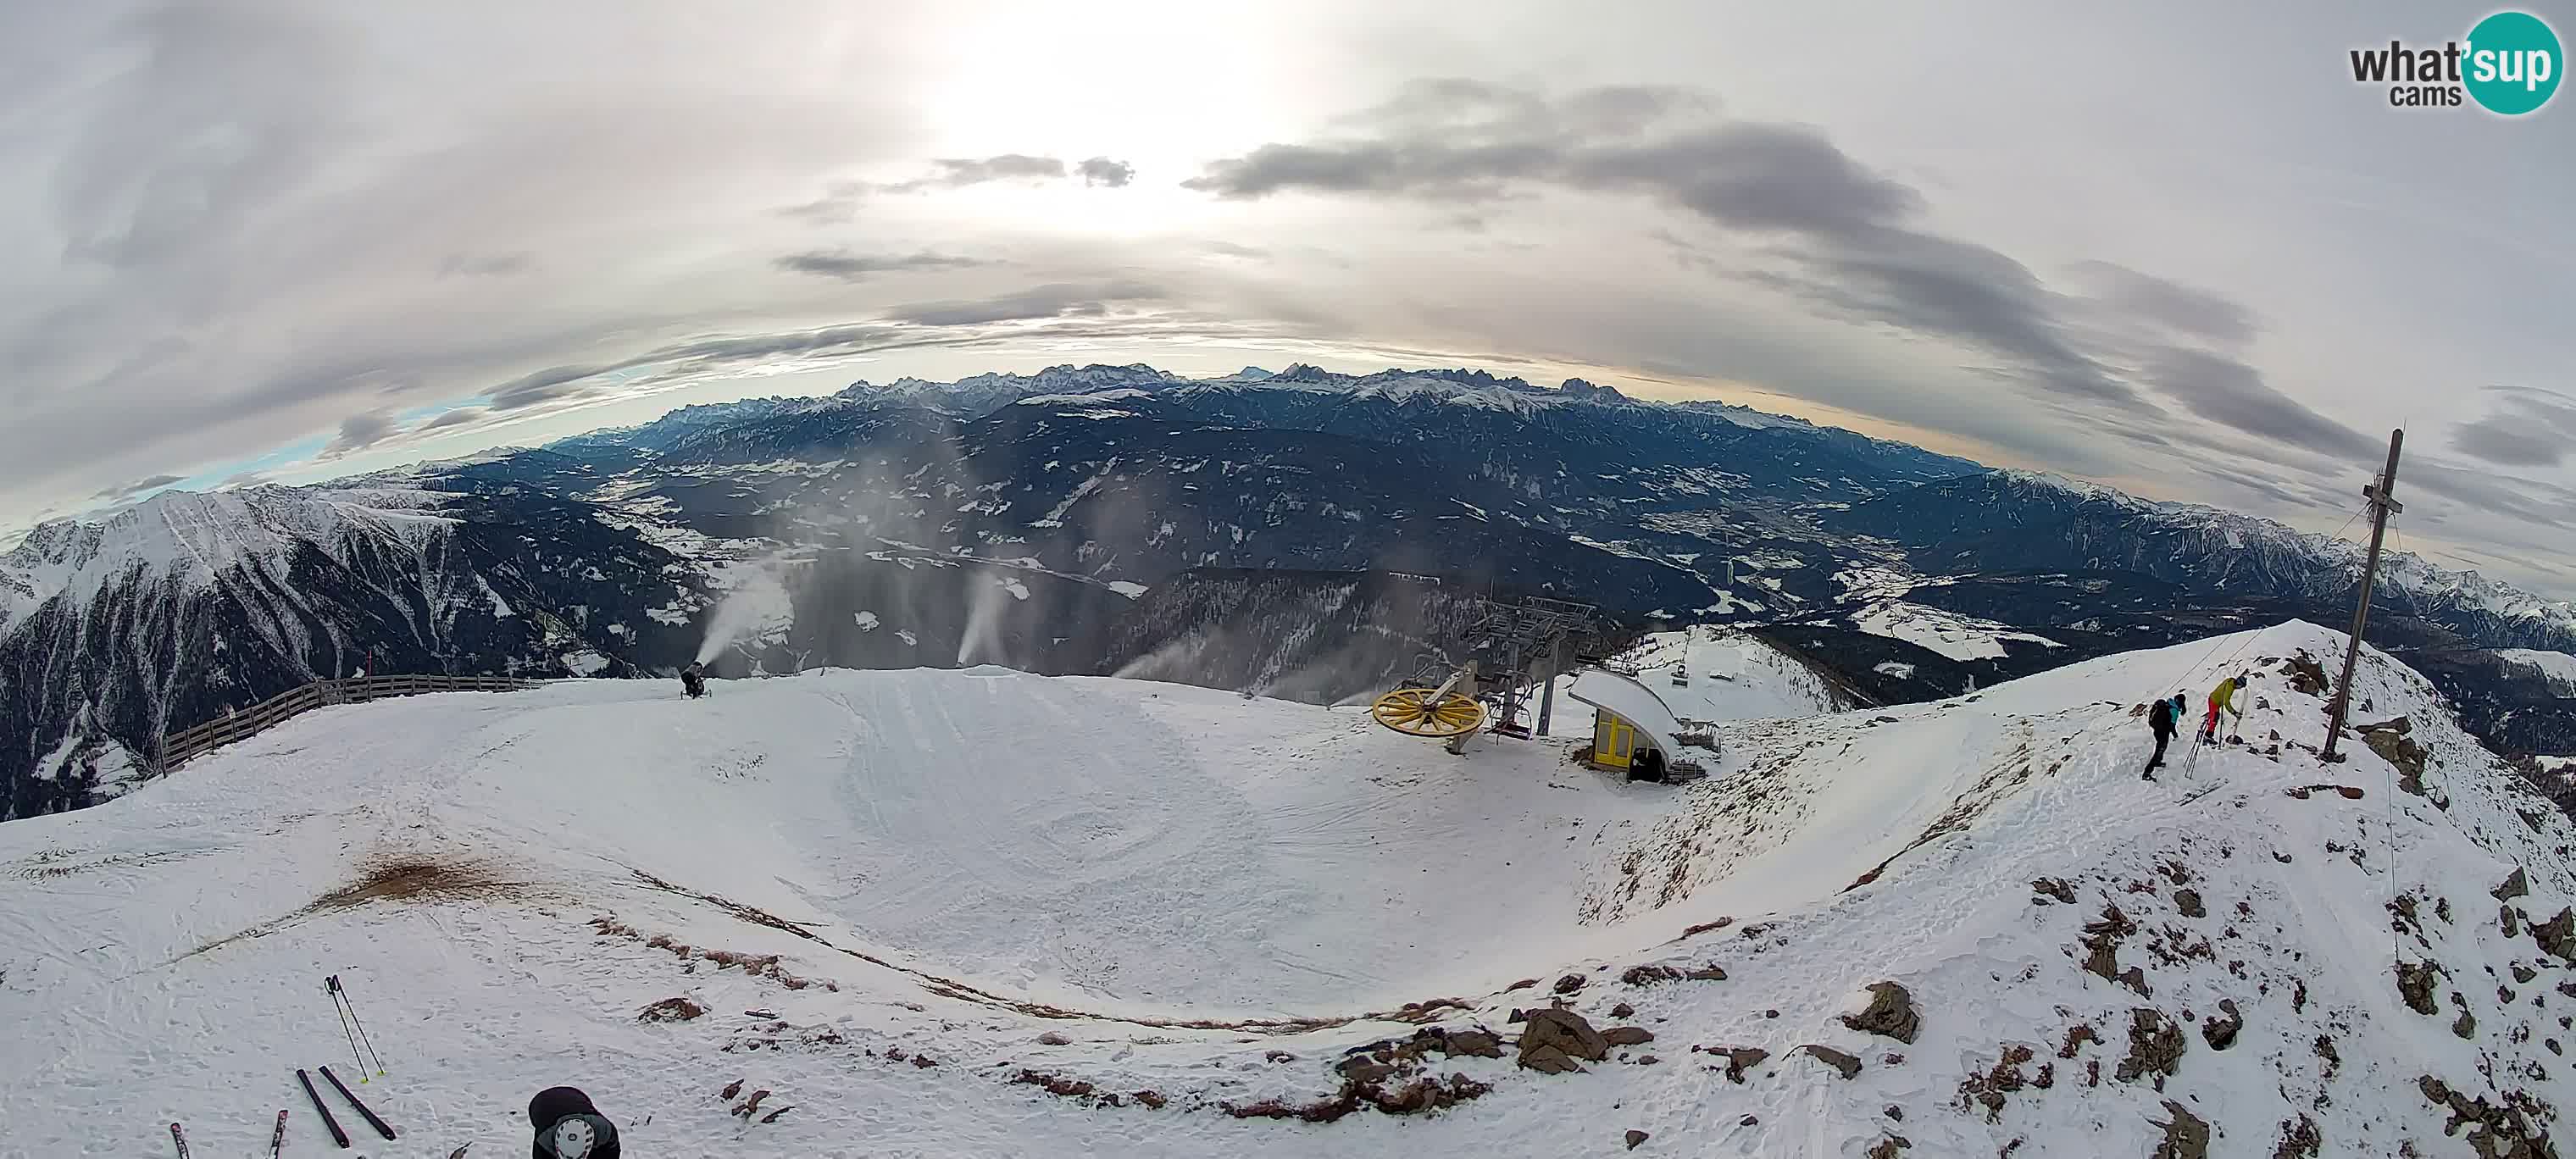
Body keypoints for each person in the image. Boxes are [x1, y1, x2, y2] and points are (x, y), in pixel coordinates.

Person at [529, 1086, 620, 1158]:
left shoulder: (605, 1132)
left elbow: (611, 1154)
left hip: (575, 1096)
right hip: (540, 1105)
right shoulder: (544, 1142)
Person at [2201, 673, 2246, 744]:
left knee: (2215, 716)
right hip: (2214, 701)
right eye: (2241, 687)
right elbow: (2226, 703)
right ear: (2239, 684)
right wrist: (2234, 713)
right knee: (2215, 718)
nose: (2240, 688)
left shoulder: (2230, 681)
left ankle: (2209, 724)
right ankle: (2208, 736)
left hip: (2215, 700)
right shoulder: (2230, 688)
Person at [2144, 693, 2179, 778]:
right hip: (2163, 731)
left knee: (2162, 746)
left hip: (2158, 730)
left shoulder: (2168, 705)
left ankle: (2158, 761)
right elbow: (2172, 726)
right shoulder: (2174, 710)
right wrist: (2175, 736)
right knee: (2159, 749)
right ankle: (2147, 773)